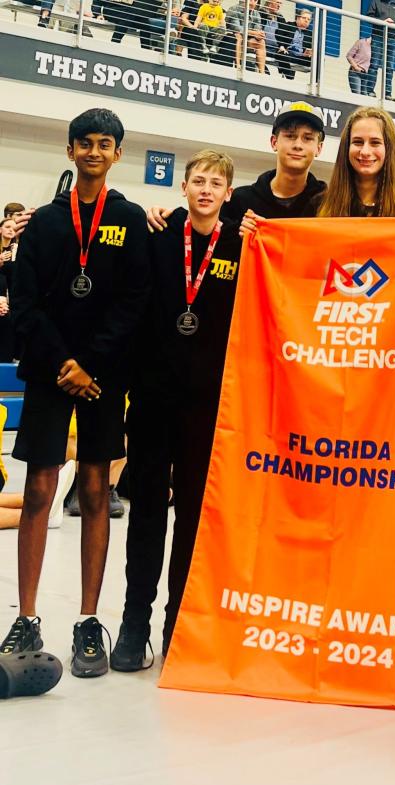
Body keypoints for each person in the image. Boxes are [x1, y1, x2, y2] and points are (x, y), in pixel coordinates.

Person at [0, 108, 150, 679]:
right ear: (69, 152)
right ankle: (29, 615)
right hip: (49, 372)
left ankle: (89, 619)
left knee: (93, 490)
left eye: (103, 143)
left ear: (117, 154)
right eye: (83, 143)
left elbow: (135, 299)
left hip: (104, 377)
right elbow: (26, 298)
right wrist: (64, 362)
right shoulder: (43, 223)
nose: (92, 151)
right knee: (39, 488)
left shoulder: (131, 219)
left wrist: (91, 364)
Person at [110, 149, 243, 668]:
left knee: (192, 516)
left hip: (207, 407)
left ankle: (178, 624)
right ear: (184, 187)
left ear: (229, 194)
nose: (206, 190)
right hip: (151, 399)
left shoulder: (241, 244)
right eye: (199, 181)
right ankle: (133, 620)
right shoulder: (157, 236)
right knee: (146, 511)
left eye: (216, 183)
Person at [147, 101, 327, 234]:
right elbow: (203, 230)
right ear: (274, 142)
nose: (298, 145)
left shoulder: (329, 204)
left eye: (308, 138)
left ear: (319, 148)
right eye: (290, 136)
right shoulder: (239, 201)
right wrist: (167, 217)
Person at [364, 0, 395, 101]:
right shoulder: (376, 1)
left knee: (389, 67)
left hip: (393, 39)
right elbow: (369, 16)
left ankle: (387, 94)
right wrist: (382, 21)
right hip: (378, 36)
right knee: (374, 64)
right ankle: (370, 91)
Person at [225, 0, 266, 73]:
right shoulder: (234, 9)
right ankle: (238, 66)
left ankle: (262, 72)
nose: (252, 3)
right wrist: (254, 33)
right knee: (239, 36)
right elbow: (237, 28)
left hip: (247, 38)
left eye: (255, 0)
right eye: (250, 0)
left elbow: (257, 29)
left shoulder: (256, 14)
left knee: (261, 42)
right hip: (232, 37)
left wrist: (260, 35)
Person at [0, 217, 16, 363]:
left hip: (11, 295)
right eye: (8, 227)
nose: (12, 230)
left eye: (14, 228)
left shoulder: (17, 249)